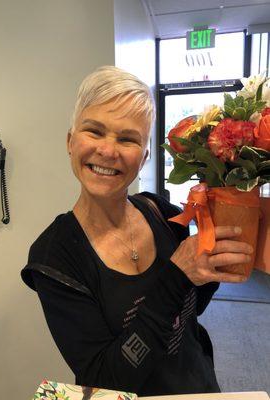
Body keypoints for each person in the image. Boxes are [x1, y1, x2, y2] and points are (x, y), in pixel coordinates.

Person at [21, 66, 253, 396]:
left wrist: (212, 262)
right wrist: (179, 273)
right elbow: (106, 383)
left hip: (200, 387)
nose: (108, 150)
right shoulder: (55, 257)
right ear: (71, 142)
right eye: (94, 131)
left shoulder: (161, 213)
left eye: (127, 138)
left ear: (143, 158)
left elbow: (191, 308)